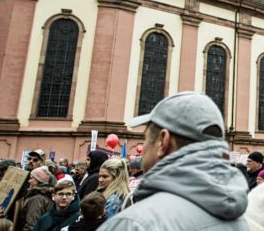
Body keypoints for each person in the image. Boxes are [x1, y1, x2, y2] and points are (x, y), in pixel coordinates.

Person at [97, 92, 248, 230]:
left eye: (146, 139)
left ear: (163, 142)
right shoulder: (240, 221)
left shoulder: (133, 224)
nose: (142, 150)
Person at [18, 165, 58, 231]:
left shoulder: (37, 199)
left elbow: (31, 225)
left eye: (31, 178)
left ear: (39, 181)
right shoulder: (45, 194)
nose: (29, 181)